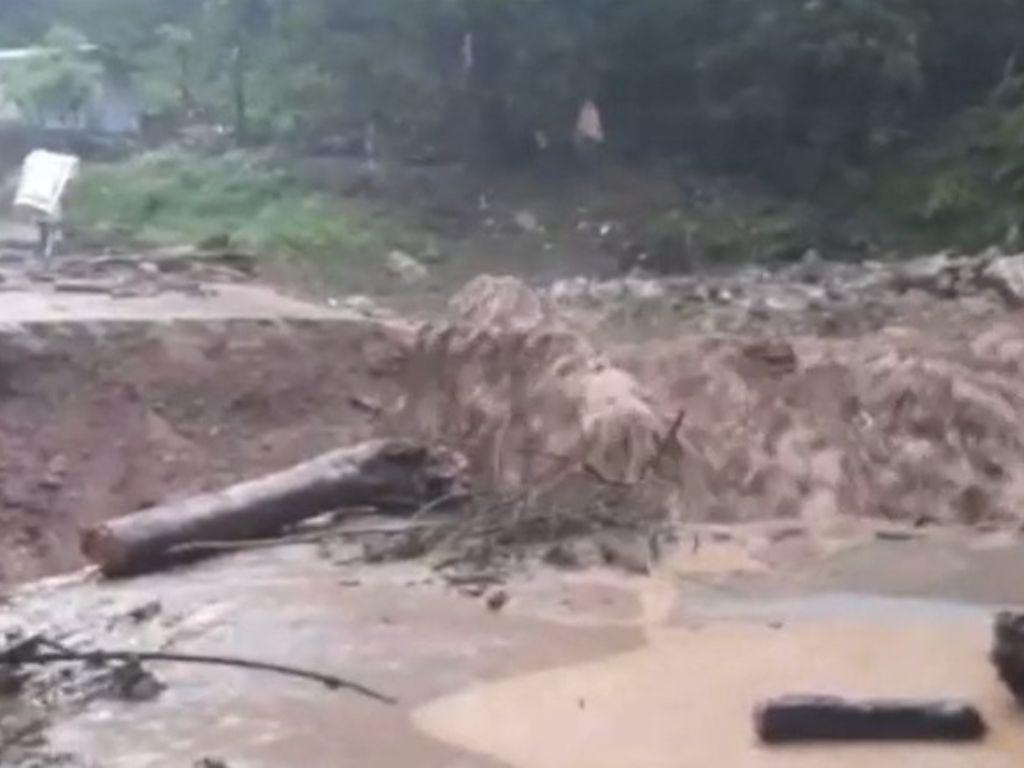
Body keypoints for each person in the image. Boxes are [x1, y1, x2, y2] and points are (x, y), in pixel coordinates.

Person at [13, 149, 80, 263]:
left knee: (45, 227)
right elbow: (67, 192)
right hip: (49, 202)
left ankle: (45, 250)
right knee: (49, 227)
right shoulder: (65, 169)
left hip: (44, 200)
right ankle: (47, 251)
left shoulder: (53, 169)